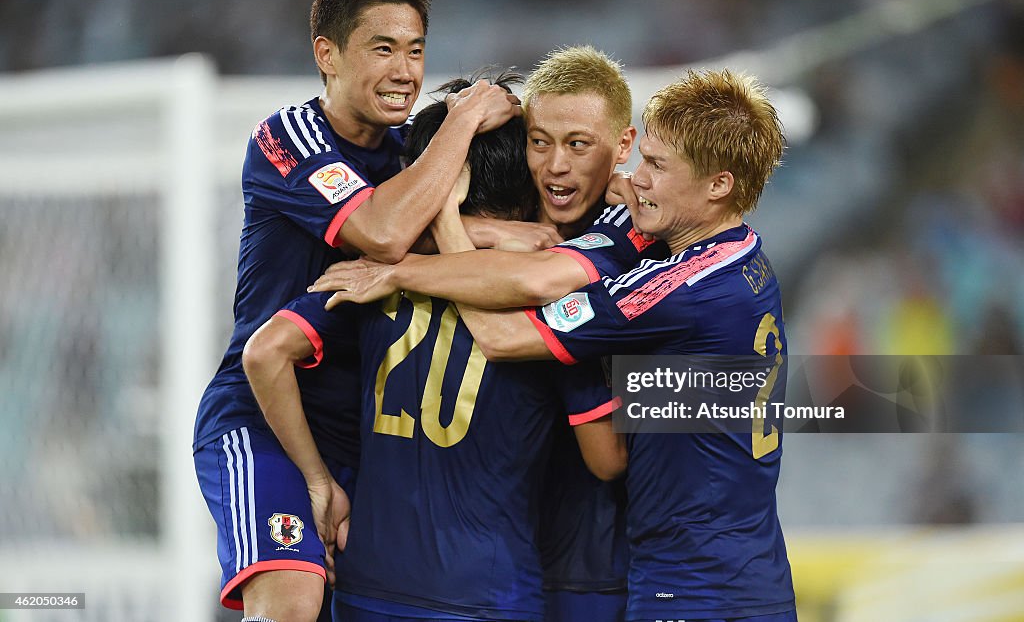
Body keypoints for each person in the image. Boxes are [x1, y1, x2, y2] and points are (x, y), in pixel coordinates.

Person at [327, 69, 798, 622]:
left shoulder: (677, 287)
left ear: (717, 185)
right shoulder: (741, 258)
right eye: (642, 159)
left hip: (691, 580)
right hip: (744, 571)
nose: (635, 179)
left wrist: (404, 267)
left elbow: (505, 336)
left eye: (656, 166)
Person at [191, 0, 549, 622]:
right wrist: (465, 117)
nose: (406, 71)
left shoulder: (404, 157)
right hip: (266, 416)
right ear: (326, 54)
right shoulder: (288, 136)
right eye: (383, 48)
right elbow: (383, 232)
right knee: (292, 601)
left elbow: (445, 224)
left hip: (362, 434)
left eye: (416, 51)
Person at [244, 73, 626, 622]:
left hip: (367, 583)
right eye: (541, 146)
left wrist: (316, 479)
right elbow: (606, 457)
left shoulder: (369, 279)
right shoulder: (557, 303)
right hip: (488, 590)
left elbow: (265, 352)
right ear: (527, 182)